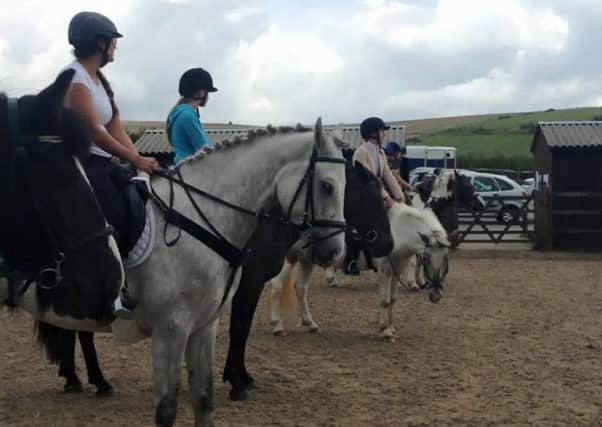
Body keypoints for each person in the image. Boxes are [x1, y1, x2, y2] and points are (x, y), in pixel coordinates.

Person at [63, 11, 159, 318]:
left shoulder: (99, 81)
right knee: (114, 213)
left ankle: (137, 276)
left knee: (140, 200)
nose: (115, 46)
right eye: (112, 41)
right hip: (80, 162)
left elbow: (115, 124)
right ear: (99, 42)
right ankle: (113, 289)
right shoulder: (75, 79)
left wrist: (140, 163)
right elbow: (94, 131)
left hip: (103, 162)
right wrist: (133, 158)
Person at [343, 117, 405, 275]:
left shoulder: (380, 153)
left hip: (375, 196)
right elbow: (370, 179)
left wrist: (400, 197)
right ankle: (350, 260)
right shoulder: (361, 152)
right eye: (382, 131)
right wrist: (386, 196)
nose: (384, 134)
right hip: (362, 197)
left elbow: (388, 175)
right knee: (359, 228)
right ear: (373, 133)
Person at [166, 68, 217, 165]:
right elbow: (205, 149)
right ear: (201, 93)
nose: (208, 96)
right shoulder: (187, 115)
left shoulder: (182, 113)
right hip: (191, 172)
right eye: (208, 92)